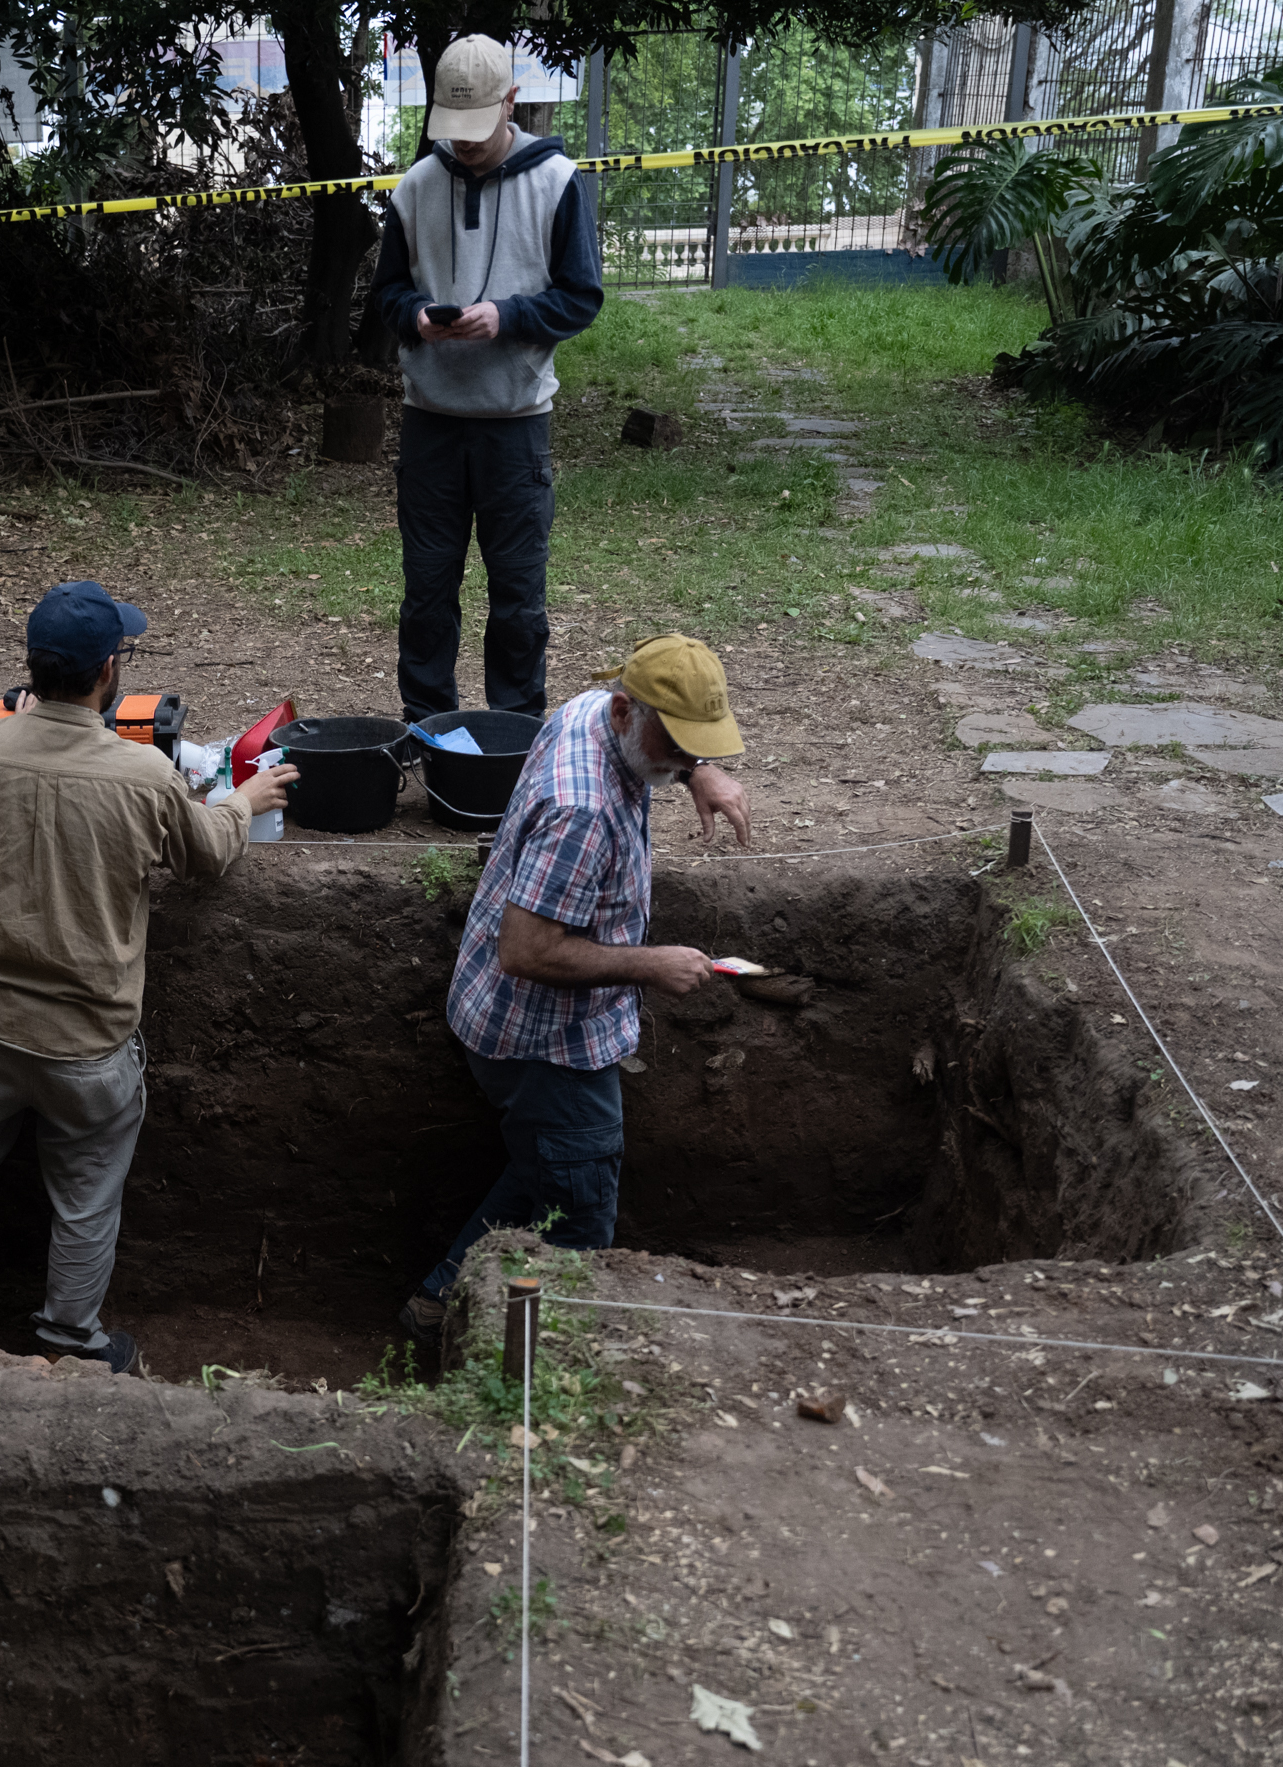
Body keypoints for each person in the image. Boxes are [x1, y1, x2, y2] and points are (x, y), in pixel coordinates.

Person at [0, 582, 300, 1375]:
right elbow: (207, 858)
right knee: (84, 1197)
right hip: (87, 1043)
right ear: (110, 672)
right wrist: (243, 800)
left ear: (30, 668)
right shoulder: (142, 775)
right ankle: (71, 1340)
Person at [395, 635, 753, 1359]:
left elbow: (659, 740)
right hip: (544, 1042)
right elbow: (527, 951)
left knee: (539, 1176)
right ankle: (527, 1363)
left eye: (697, 745)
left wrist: (698, 774)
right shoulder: (581, 813)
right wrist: (651, 965)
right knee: (577, 1214)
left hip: (506, 1015)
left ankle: (436, 1307)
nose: (683, 758)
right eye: (676, 745)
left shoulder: (592, 711)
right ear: (626, 710)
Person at [372, 33, 605, 724]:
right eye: (454, 128)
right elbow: (385, 294)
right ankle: (428, 727)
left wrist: (507, 316)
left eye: (478, 128)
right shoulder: (415, 187)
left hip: (515, 429)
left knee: (518, 597)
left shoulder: (557, 183)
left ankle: (515, 734)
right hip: (431, 424)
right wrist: (417, 318)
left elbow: (581, 297)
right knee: (427, 591)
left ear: (512, 102)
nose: (465, 144)